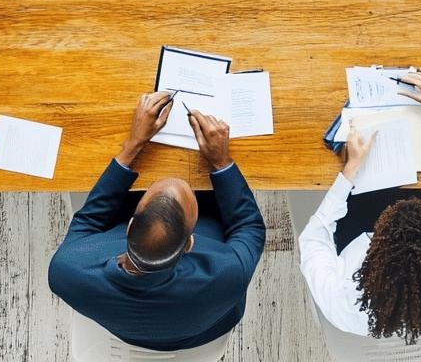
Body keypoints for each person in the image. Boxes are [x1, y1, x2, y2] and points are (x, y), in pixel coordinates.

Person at [48, 92, 265, 351]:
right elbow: (249, 226)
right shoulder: (227, 275)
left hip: (126, 327)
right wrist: (221, 162)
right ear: (189, 244)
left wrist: (132, 146)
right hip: (202, 327)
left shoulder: (65, 271)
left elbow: (87, 222)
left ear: (130, 225)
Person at [299, 68, 421, 344]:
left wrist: (350, 169)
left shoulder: (341, 297)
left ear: (373, 243)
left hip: (361, 208)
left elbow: (313, 238)